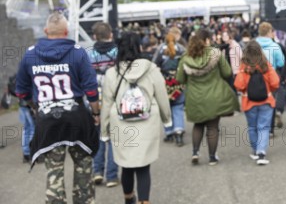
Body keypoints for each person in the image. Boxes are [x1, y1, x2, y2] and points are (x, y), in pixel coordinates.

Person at [15, 12, 100, 203]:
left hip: (47, 120)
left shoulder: (30, 55)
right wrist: (96, 113)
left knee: (54, 172)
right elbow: (91, 90)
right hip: (77, 118)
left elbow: (21, 91)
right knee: (84, 168)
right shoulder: (78, 52)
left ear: (46, 31)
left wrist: (34, 106)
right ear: (66, 31)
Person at [100, 32, 172, 204]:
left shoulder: (111, 73)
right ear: (139, 47)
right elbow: (162, 95)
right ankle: (144, 202)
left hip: (121, 124)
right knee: (143, 166)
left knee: (126, 165)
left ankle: (129, 198)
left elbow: (107, 104)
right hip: (146, 122)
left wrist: (104, 130)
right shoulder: (151, 69)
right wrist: (166, 119)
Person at [176, 30, 239, 166]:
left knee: (198, 125)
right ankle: (212, 157)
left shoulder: (185, 58)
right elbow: (227, 72)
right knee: (212, 127)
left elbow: (180, 79)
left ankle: (195, 152)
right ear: (207, 40)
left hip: (194, 97)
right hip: (214, 95)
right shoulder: (215, 54)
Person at [234, 40, 280, 165]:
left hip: (249, 102)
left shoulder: (244, 66)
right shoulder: (266, 65)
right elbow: (275, 82)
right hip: (266, 101)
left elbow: (239, 84)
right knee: (264, 127)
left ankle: (255, 151)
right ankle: (261, 152)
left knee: (252, 127)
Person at [87, 22, 120, 188]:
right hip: (114, 99)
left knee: (98, 136)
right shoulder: (118, 52)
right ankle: (112, 176)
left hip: (95, 101)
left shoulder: (88, 54)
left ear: (94, 37)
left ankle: (97, 171)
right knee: (114, 137)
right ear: (111, 35)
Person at [153, 28, 186, 146]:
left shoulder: (160, 49)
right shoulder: (181, 49)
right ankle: (179, 132)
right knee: (178, 107)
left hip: (164, 83)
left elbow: (154, 65)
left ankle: (169, 132)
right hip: (178, 82)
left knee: (165, 108)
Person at [255, 22, 285, 130]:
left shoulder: (253, 45)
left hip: (256, 76)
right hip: (271, 75)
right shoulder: (274, 46)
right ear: (269, 32)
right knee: (271, 100)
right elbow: (281, 63)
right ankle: (271, 129)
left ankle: (260, 125)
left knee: (258, 101)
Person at [7, 74, 35, 163]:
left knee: (26, 129)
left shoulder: (18, 74)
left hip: (22, 105)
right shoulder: (29, 72)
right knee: (33, 128)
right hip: (29, 105)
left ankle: (26, 153)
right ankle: (33, 153)